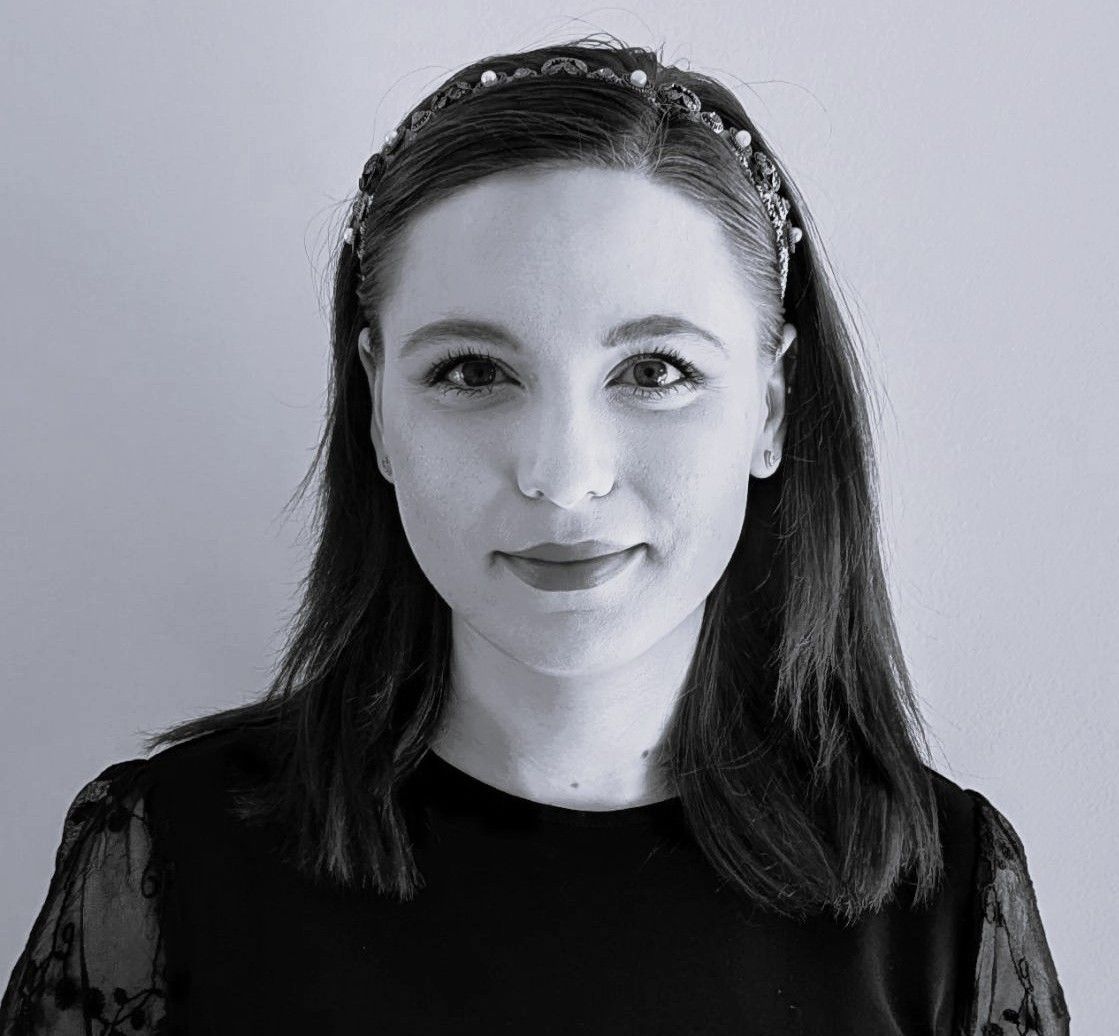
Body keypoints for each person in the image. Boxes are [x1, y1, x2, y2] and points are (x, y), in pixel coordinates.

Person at [0, 35, 1070, 1035]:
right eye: (472, 371)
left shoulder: (949, 901)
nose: (563, 477)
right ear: (378, 405)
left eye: (655, 372)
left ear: (773, 408)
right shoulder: (162, 859)